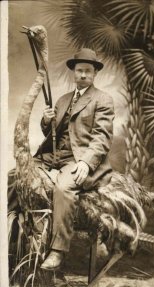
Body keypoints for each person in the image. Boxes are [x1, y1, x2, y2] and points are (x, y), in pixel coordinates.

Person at [31, 48, 115, 270]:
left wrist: (86, 163)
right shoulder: (63, 99)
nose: (83, 75)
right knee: (15, 175)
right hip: (54, 155)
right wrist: (46, 121)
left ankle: (57, 251)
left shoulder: (103, 99)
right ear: (74, 72)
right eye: (80, 71)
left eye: (88, 71)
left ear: (95, 73)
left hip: (78, 158)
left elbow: (102, 138)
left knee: (65, 186)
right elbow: (52, 135)